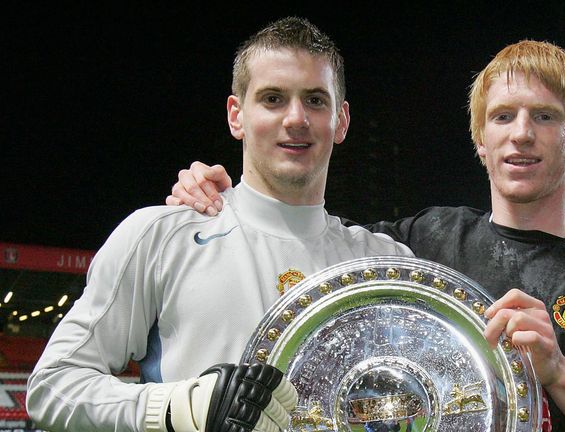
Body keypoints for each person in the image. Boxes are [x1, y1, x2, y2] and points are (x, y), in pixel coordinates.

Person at [168, 40, 565, 431]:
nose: (521, 133)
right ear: (480, 140)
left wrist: (561, 372)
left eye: (544, 116)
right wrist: (222, 197)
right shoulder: (423, 241)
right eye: (502, 117)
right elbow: (305, 241)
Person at [26, 17, 413, 432]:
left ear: (341, 120)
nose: (296, 118)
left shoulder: (385, 263)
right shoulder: (161, 236)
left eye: (316, 100)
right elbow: (52, 386)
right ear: (236, 115)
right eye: (273, 99)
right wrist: (178, 407)